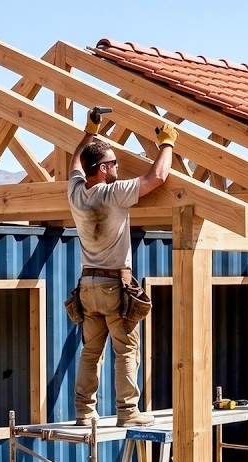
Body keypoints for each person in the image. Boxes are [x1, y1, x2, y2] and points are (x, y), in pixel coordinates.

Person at [67, 111, 178, 427]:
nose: (118, 167)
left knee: (91, 352)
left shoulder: (76, 193)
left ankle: (84, 413)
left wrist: (90, 132)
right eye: (113, 163)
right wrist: (167, 143)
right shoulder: (113, 193)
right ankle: (128, 413)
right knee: (127, 350)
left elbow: (75, 162)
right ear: (102, 169)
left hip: (87, 286)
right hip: (114, 285)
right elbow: (157, 177)